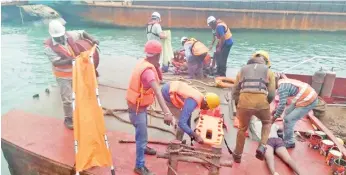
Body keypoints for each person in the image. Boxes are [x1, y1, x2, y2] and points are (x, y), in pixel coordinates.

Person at [126, 40, 174, 175]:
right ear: (158, 55)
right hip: (137, 109)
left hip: (137, 106)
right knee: (141, 135)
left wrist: (157, 66)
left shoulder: (144, 63)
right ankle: (139, 166)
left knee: (142, 131)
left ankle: (144, 147)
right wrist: (167, 112)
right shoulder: (148, 72)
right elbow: (158, 91)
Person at [44, 20, 99, 129]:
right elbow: (56, 62)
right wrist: (69, 60)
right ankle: (68, 119)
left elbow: (82, 33)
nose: (60, 38)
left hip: (77, 72)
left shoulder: (69, 36)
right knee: (67, 99)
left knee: (80, 94)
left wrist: (93, 39)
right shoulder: (48, 47)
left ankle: (81, 113)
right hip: (63, 76)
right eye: (58, 37)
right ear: (52, 36)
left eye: (61, 36)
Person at [232, 51, 276, 163]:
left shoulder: (242, 70)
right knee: (266, 123)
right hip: (261, 102)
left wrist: (238, 105)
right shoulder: (269, 71)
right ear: (265, 61)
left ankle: (237, 156)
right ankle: (262, 146)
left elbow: (235, 90)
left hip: (244, 102)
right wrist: (266, 103)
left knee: (242, 128)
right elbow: (271, 93)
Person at [272, 73, 318, 148]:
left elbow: (282, 106)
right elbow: (281, 104)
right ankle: (285, 134)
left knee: (289, 119)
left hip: (309, 100)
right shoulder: (281, 82)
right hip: (302, 97)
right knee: (287, 112)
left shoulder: (281, 89)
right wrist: (275, 110)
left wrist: (273, 119)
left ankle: (289, 142)